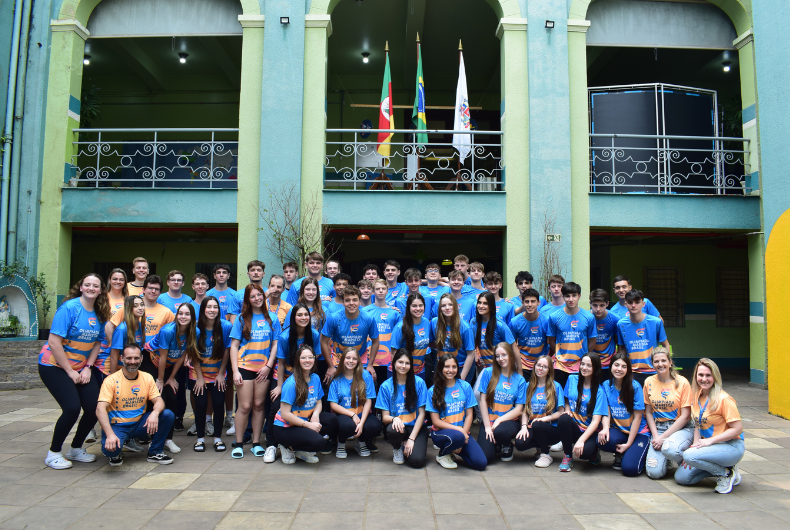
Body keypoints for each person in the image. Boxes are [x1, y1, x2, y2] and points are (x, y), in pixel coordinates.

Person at [37, 273, 109, 470]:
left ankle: (76, 449)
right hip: (54, 366)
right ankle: (53, 453)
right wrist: (70, 372)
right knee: (71, 408)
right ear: (81, 287)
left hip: (80, 367)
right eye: (88, 284)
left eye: (95, 285)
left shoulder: (100, 312)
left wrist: (88, 367)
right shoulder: (69, 308)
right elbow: (54, 342)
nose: (91, 288)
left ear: (100, 290)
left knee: (95, 408)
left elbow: (97, 343)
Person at [96, 344, 175, 466]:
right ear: (122, 358)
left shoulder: (147, 377)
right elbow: (100, 409)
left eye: (136, 358)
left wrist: (155, 413)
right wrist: (110, 435)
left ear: (141, 358)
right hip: (118, 425)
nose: (132, 362)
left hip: (139, 424)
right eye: (129, 358)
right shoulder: (111, 380)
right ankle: (114, 447)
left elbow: (159, 401)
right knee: (111, 451)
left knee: (167, 415)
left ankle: (155, 452)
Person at [674, 358, 744, 494]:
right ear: (695, 376)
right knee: (682, 478)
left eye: (708, 375)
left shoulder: (724, 399)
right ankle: (724, 468)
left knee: (689, 456)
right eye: (701, 375)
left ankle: (726, 473)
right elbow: (698, 424)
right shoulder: (696, 397)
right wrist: (694, 447)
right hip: (710, 447)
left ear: (715, 377)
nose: (704, 379)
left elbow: (737, 429)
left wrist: (710, 441)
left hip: (731, 446)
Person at [264, 303, 322, 463]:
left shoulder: (314, 334)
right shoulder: (285, 336)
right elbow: (281, 363)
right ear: (293, 317)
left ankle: (297, 443)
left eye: (306, 315)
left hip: (305, 377)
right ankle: (271, 445)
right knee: (276, 406)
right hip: (285, 377)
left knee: (307, 407)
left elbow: (314, 358)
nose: (303, 318)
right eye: (299, 315)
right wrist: (279, 386)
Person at [229, 284, 280, 458]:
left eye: (259, 295)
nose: (257, 298)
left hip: (263, 369)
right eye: (252, 296)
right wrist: (235, 371)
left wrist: (268, 366)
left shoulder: (272, 318)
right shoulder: (241, 319)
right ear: (247, 300)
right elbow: (234, 346)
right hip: (244, 367)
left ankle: (256, 443)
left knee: (258, 405)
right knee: (244, 406)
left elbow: (275, 344)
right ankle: (239, 444)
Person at [148, 303, 200, 454]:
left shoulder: (195, 331)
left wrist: (171, 377)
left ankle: (168, 440)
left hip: (170, 365)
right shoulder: (168, 331)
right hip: (152, 361)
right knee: (159, 398)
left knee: (173, 398)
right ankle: (154, 440)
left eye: (187, 314)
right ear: (176, 316)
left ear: (192, 317)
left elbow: (182, 355)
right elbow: (162, 358)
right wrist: (160, 380)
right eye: (180, 313)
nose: (183, 317)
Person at [273, 344, 339, 464]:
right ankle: (288, 447)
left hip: (305, 420)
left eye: (310, 357)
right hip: (285, 427)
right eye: (303, 358)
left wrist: (316, 414)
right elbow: (285, 414)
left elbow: (318, 402)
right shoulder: (291, 384)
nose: (307, 360)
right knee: (320, 443)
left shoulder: (315, 378)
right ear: (298, 360)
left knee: (332, 420)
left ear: (314, 359)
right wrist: (308, 425)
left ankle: (300, 449)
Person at [427, 353, 486, 470]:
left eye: (454, 367)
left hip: (462, 433)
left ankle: (453, 449)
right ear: (440, 368)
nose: (451, 370)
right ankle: (443, 454)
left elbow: (469, 415)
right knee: (458, 437)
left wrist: (464, 433)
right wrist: (460, 432)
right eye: (447, 367)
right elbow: (436, 422)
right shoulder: (432, 391)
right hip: (440, 433)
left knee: (481, 463)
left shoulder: (465, 386)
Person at [189, 296, 232, 452]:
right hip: (198, 373)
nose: (212, 310)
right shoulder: (196, 328)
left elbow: (227, 350)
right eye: (209, 307)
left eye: (215, 307)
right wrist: (200, 378)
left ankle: (217, 438)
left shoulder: (225, 326)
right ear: (203, 309)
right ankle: (200, 439)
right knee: (200, 404)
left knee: (219, 403)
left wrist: (221, 373)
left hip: (217, 373)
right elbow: (193, 353)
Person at [644, 346, 693, 479]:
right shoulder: (649, 382)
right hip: (659, 428)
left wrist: (663, 438)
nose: (660, 364)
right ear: (652, 364)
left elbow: (685, 416)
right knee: (654, 473)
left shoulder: (682, 382)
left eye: (663, 360)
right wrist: (656, 437)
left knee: (670, 449)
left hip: (680, 428)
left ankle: (690, 457)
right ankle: (667, 458)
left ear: (670, 362)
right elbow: (648, 413)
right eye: (656, 361)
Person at [597, 352, 650, 476]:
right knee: (601, 440)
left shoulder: (635, 387)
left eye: (624, 366)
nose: (619, 369)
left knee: (630, 469)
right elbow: (606, 411)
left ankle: (637, 452)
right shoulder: (606, 385)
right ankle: (622, 453)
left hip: (639, 433)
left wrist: (629, 444)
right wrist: (605, 428)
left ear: (628, 369)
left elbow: (638, 418)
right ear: (611, 366)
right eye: (616, 365)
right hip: (620, 431)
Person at [376, 349, 428, 467]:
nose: (403, 366)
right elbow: (385, 418)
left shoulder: (419, 383)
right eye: (400, 362)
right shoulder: (385, 386)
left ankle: (408, 443)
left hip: (416, 427)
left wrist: (411, 439)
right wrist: (395, 418)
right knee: (392, 429)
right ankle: (397, 448)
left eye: (407, 363)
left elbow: (422, 414)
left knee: (417, 461)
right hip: (399, 428)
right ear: (394, 363)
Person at [477, 342, 526, 463]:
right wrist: (487, 426)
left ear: (511, 356)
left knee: (501, 431)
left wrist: (499, 420)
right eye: (497, 356)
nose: (500, 359)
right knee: (485, 458)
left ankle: (506, 444)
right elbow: (482, 401)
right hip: (489, 420)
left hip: (508, 421)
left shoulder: (519, 380)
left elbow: (519, 409)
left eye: (504, 355)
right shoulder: (488, 373)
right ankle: (496, 443)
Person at [557, 352, 607, 472]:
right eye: (582, 364)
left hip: (590, 431)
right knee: (563, 418)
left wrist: (581, 441)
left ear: (595, 368)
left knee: (584, 454)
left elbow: (595, 421)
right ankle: (567, 456)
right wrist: (567, 410)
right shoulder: (572, 379)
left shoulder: (599, 391)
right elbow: (567, 400)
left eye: (589, 365)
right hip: (575, 426)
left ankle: (594, 452)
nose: (584, 368)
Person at [328, 347, 382, 458]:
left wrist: (361, 422)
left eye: (354, 358)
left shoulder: (365, 375)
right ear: (343, 359)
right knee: (347, 425)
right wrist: (352, 415)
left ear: (358, 361)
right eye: (348, 358)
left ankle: (361, 442)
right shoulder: (336, 377)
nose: (351, 361)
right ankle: (341, 443)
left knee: (375, 426)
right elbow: (333, 404)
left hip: (362, 412)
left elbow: (368, 401)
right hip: (344, 414)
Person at [320, 285, 379, 383]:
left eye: (355, 300)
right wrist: (330, 366)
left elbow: (376, 341)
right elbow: (323, 341)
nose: (351, 303)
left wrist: (370, 365)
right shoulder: (334, 318)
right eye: (347, 300)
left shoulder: (368, 318)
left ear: (360, 302)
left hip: (361, 361)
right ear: (343, 302)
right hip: (338, 362)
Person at [515, 355, 565, 467]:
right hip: (533, 426)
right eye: (538, 365)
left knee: (538, 424)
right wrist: (524, 427)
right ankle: (540, 446)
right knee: (519, 443)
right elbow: (525, 411)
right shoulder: (528, 386)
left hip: (551, 429)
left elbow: (561, 412)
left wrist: (545, 419)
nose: (540, 369)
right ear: (534, 367)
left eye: (545, 367)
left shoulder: (556, 386)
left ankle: (545, 454)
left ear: (549, 370)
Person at [547, 282, 597, 389]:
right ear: (563, 297)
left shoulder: (589, 317)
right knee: (558, 395)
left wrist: (583, 357)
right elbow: (551, 340)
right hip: (560, 365)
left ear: (579, 296)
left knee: (578, 395)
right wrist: (560, 355)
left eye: (574, 296)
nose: (571, 299)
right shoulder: (554, 317)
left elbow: (592, 342)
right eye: (567, 296)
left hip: (580, 365)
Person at [616, 289, 670, 385]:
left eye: (637, 302)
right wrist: (622, 368)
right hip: (632, 372)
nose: (633, 305)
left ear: (643, 304)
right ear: (626, 304)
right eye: (630, 302)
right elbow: (621, 348)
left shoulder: (656, 322)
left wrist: (667, 366)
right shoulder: (621, 324)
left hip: (653, 370)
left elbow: (665, 344)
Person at [109, 275, 174, 348]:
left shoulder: (167, 312)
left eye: (156, 289)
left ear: (160, 292)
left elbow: (175, 332)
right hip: (131, 352)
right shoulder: (130, 307)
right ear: (143, 290)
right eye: (150, 288)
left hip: (154, 352)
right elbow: (109, 326)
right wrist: (115, 345)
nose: (153, 291)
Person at [362, 279, 401, 387]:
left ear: (387, 291)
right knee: (368, 391)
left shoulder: (394, 313)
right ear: (373, 291)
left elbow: (398, 338)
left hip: (388, 360)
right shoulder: (364, 311)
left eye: (383, 289)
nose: (380, 291)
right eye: (377, 289)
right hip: (369, 359)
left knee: (386, 390)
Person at [430, 294, 475, 383]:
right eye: (443, 305)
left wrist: (462, 377)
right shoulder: (434, 322)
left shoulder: (465, 327)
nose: (447, 308)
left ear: (456, 306)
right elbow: (430, 342)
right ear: (440, 309)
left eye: (450, 304)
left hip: (461, 367)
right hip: (442, 366)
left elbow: (471, 354)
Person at [508, 288, 551, 381]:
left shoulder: (547, 321)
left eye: (533, 301)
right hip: (523, 365)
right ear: (522, 303)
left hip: (542, 364)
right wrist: (518, 367)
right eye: (527, 302)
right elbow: (511, 345)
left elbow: (551, 343)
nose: (530, 304)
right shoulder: (515, 322)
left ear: (538, 303)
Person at [390, 293, 431, 380]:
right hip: (401, 371)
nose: (418, 308)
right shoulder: (400, 327)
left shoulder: (426, 322)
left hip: (420, 370)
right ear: (408, 307)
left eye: (421, 305)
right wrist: (398, 373)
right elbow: (393, 352)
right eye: (414, 306)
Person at [470, 292, 517, 369]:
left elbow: (513, 346)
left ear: (491, 306)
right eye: (479, 303)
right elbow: (471, 343)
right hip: (482, 367)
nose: (481, 306)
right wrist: (475, 353)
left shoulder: (499, 324)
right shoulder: (473, 322)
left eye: (485, 303)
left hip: (500, 367)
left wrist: (519, 371)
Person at [589, 288, 618, 381]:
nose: (598, 309)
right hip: (590, 363)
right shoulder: (586, 318)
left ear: (607, 304)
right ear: (590, 303)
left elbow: (618, 341)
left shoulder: (615, 319)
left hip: (609, 364)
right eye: (595, 305)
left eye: (602, 305)